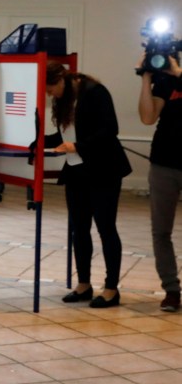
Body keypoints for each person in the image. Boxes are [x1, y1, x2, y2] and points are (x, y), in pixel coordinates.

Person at [45, 62, 131, 308]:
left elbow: (109, 130)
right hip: (76, 171)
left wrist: (77, 147)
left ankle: (111, 289)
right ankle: (83, 284)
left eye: (50, 89)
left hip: (104, 170)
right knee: (79, 229)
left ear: (61, 80)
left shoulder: (95, 91)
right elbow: (68, 134)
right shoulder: (64, 99)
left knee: (106, 228)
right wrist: (38, 141)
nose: (50, 95)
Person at [137, 54, 182, 312]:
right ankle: (171, 290)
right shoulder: (165, 83)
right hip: (164, 164)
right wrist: (145, 78)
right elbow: (148, 117)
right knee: (161, 231)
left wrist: (179, 74)